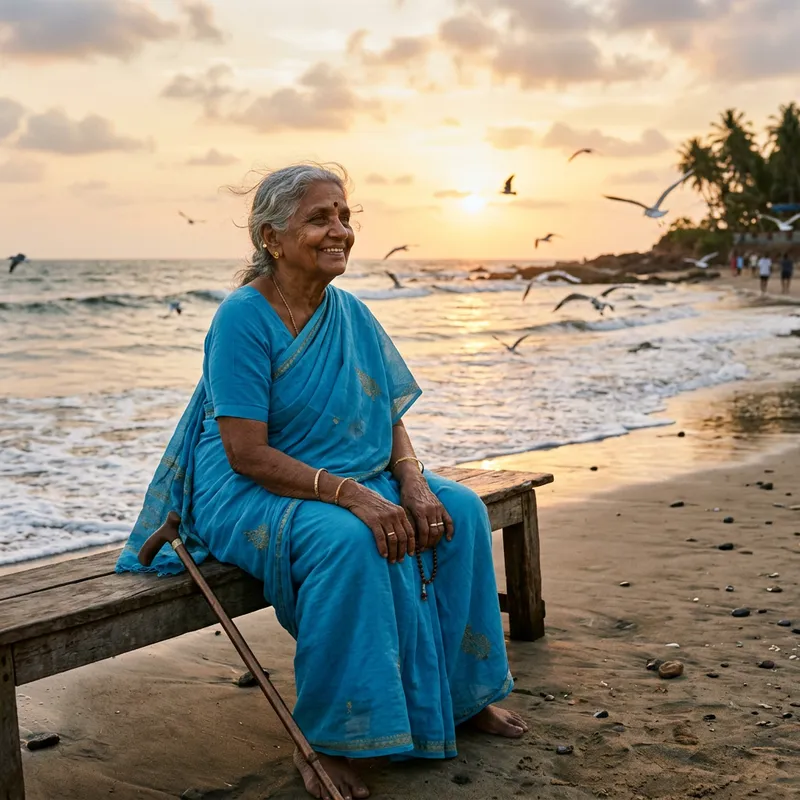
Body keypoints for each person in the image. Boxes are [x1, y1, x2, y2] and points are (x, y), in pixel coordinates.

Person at [116, 163, 525, 800]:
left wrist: (411, 484)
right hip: (248, 486)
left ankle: (462, 699)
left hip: (348, 473)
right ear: (271, 237)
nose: (339, 230)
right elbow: (246, 453)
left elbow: (384, 413)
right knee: (348, 541)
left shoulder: (350, 313)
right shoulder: (242, 320)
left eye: (343, 215)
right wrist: (355, 496)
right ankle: (334, 740)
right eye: (319, 218)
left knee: (461, 511)